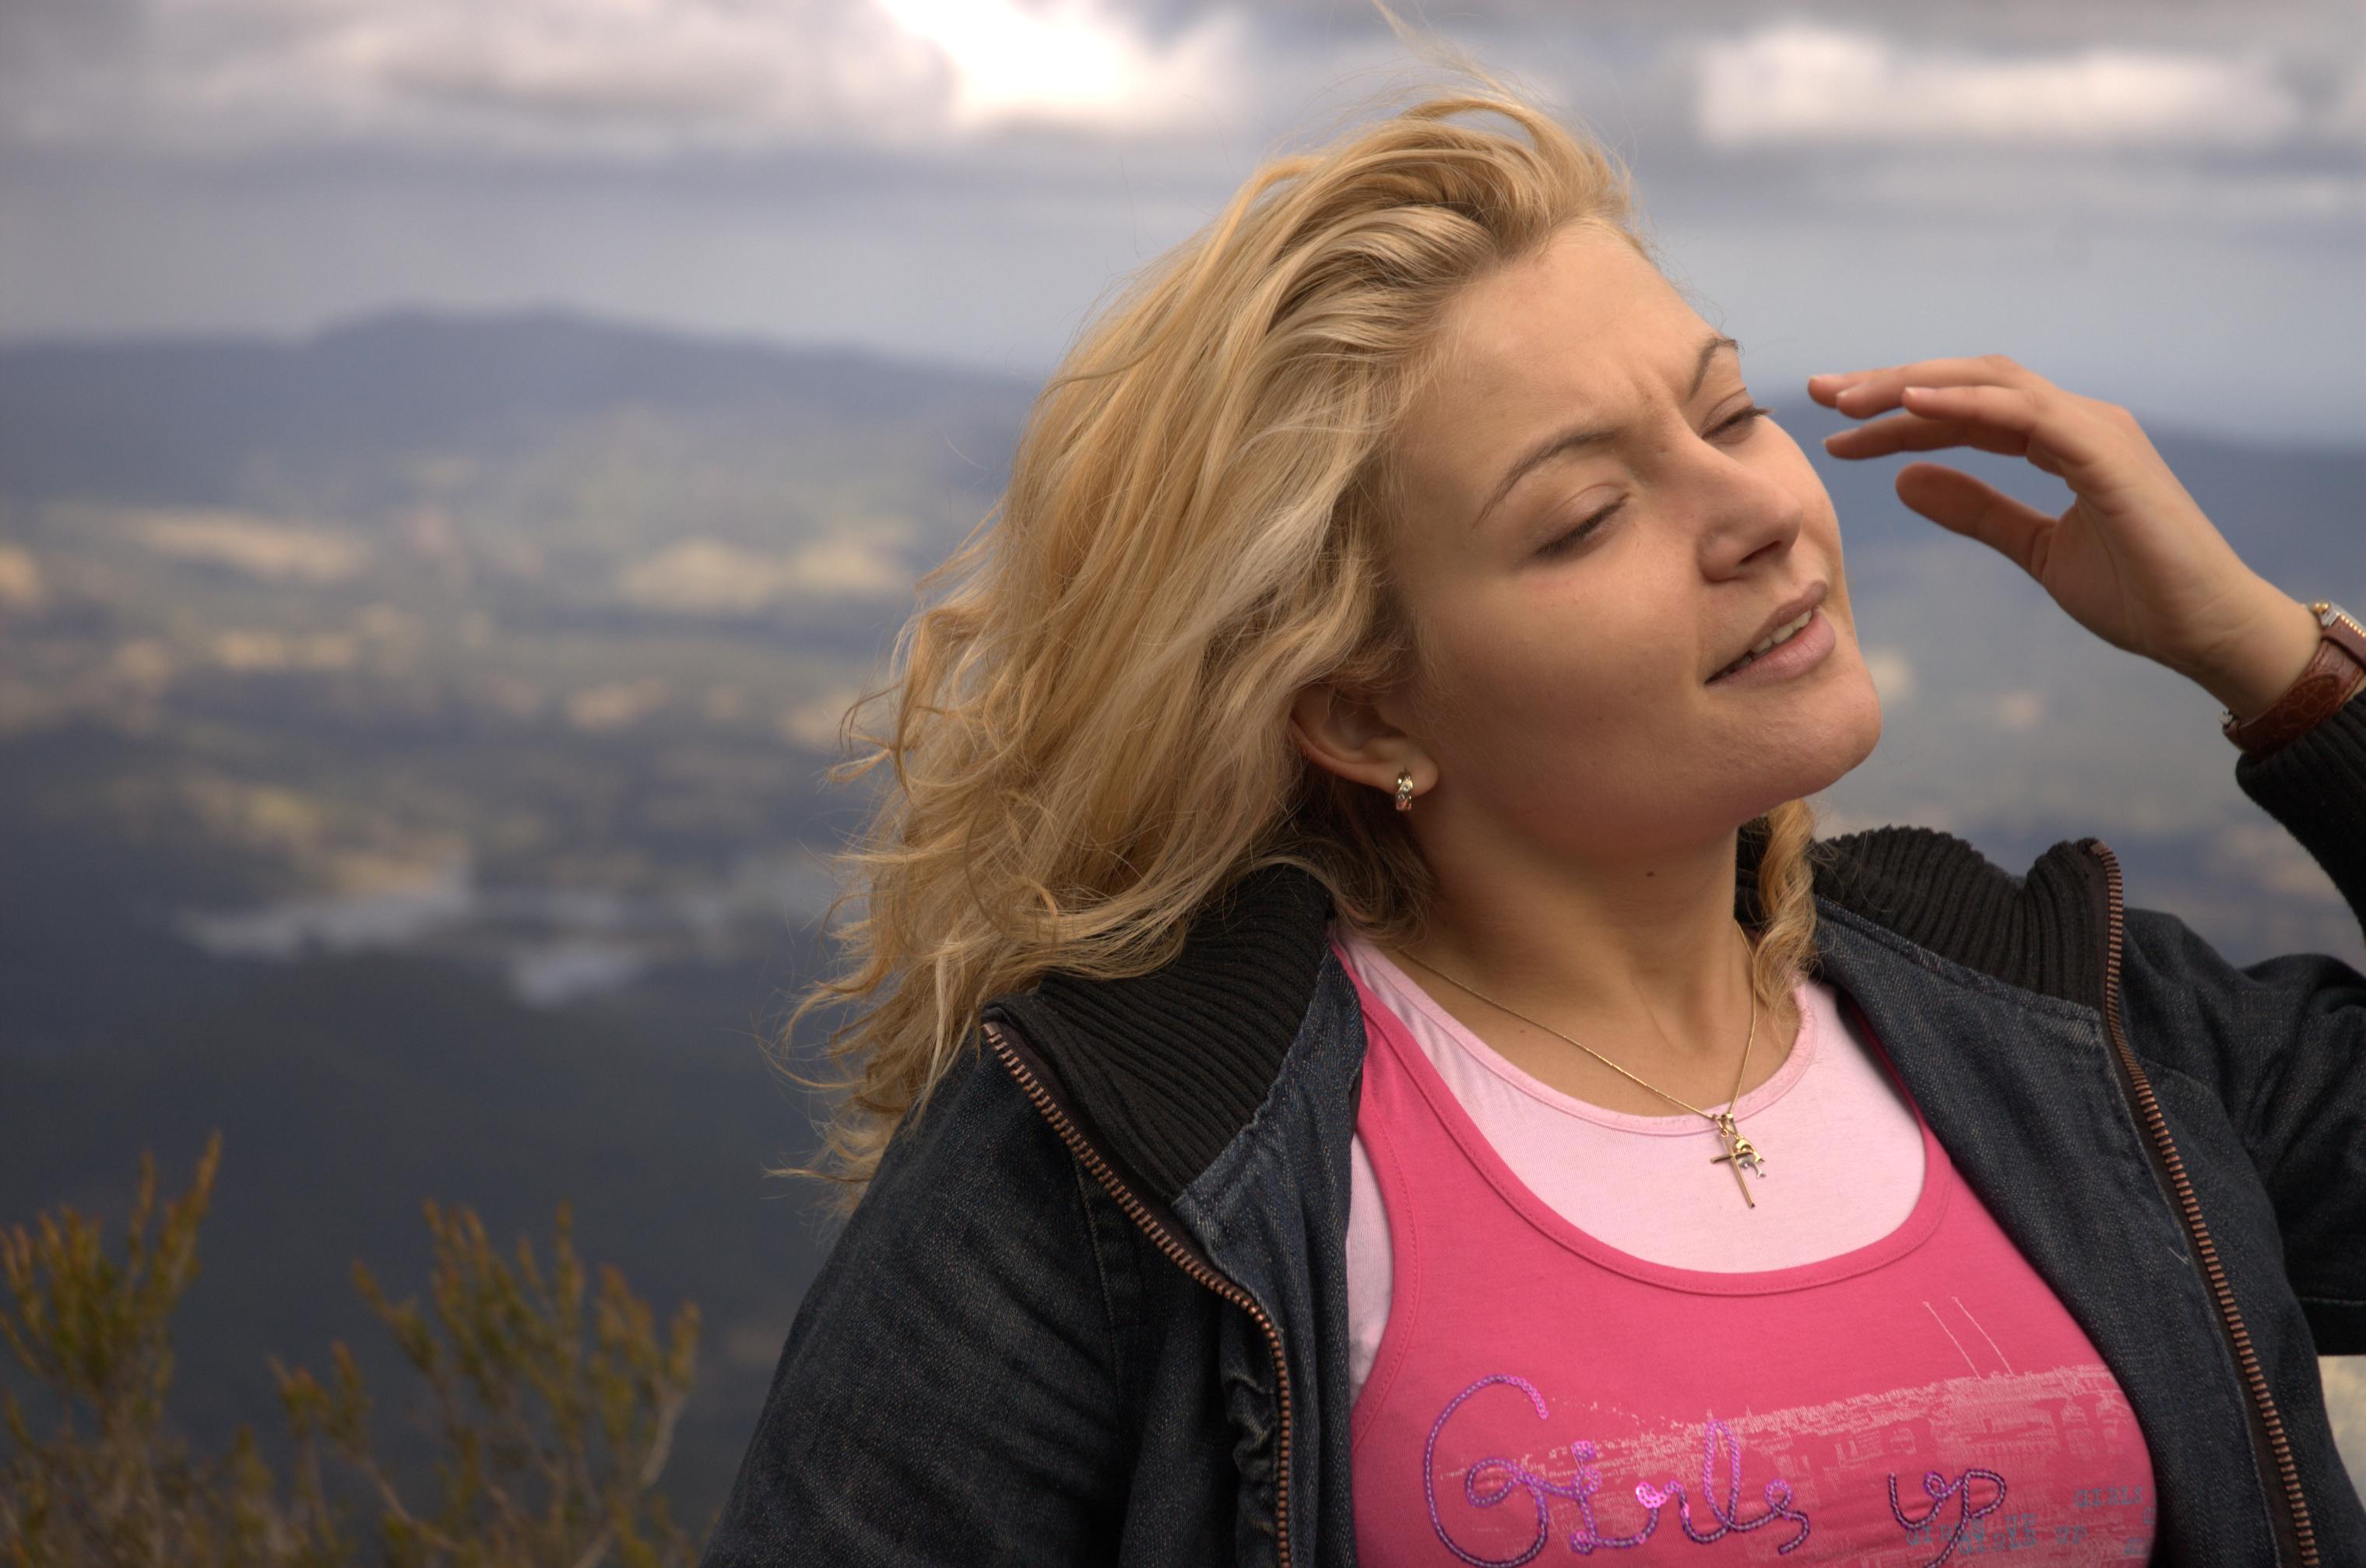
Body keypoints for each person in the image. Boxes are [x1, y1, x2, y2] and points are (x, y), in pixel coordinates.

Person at [696, 44, 2366, 1568]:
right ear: (1364, 707)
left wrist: (2277, 665)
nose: (1753, 512)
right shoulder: (1131, 1151)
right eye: (1583, 517)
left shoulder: (2070, 1020)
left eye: (1727, 412)